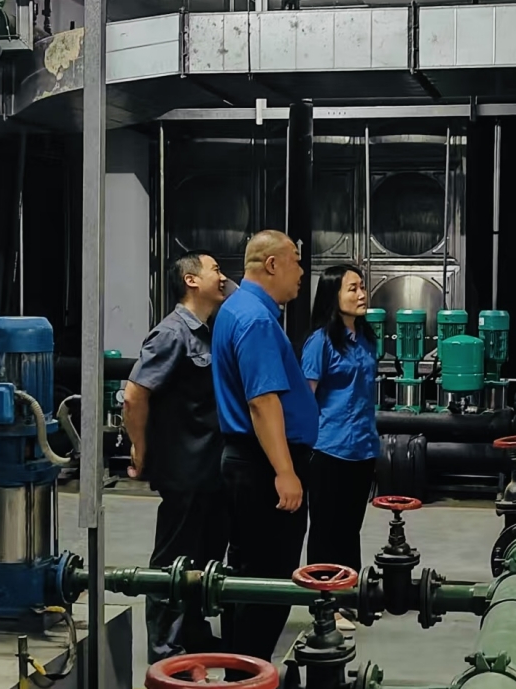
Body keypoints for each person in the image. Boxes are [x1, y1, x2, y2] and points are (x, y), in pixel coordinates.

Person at [211, 229, 318, 661]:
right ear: (272, 264)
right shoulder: (255, 319)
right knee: (267, 581)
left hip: (249, 461)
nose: (301, 271)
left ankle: (241, 669)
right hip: (264, 465)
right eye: (295, 260)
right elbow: (262, 401)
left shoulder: (238, 310)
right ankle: (249, 674)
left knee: (246, 573)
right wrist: (285, 471)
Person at [122, 250, 229, 664]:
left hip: (210, 469)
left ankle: (194, 635)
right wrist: (140, 447)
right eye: (215, 270)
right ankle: (165, 651)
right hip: (184, 470)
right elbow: (135, 395)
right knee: (173, 562)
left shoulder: (209, 331)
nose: (224, 276)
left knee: (204, 560)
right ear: (191, 280)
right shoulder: (172, 334)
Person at [300, 265, 378, 632]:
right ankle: (324, 605)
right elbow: (306, 400)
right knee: (325, 531)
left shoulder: (365, 339)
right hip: (329, 449)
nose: (361, 294)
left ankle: (349, 596)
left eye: (362, 287)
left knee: (349, 530)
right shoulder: (319, 343)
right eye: (353, 289)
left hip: (362, 448)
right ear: (333, 295)